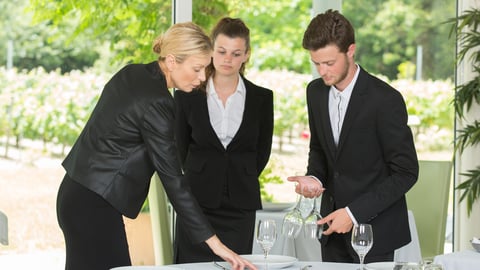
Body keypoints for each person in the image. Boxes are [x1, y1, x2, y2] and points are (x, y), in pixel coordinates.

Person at [56, 22, 256, 270]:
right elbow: (173, 179)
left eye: (205, 69)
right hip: (94, 207)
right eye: (197, 68)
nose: (202, 77)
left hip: (75, 194)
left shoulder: (131, 73)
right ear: (172, 61)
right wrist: (216, 244)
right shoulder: (159, 104)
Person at [287, 10, 419, 264]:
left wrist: (353, 213)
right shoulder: (315, 92)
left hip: (375, 233)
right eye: (316, 63)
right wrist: (314, 177)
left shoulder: (385, 100)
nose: (322, 71)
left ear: (350, 51)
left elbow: (406, 172)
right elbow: (319, 150)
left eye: (329, 63)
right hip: (331, 231)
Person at [173, 17, 274, 263]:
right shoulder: (187, 96)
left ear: (246, 55)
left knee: (237, 265)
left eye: (236, 53)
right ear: (211, 50)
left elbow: (262, 152)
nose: (227, 59)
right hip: (197, 203)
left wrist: (240, 173)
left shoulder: (262, 98)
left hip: (241, 206)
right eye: (221, 51)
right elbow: (179, 148)